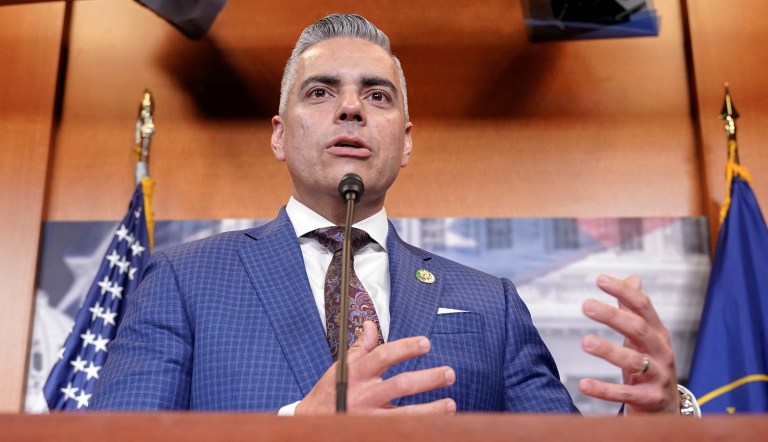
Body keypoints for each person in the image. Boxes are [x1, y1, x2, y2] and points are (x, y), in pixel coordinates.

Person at [90, 13, 680, 415]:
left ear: (405, 141)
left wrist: (649, 419)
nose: (351, 108)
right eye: (320, 92)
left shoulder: (489, 303)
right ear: (278, 135)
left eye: (377, 96)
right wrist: (294, 427)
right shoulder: (183, 281)